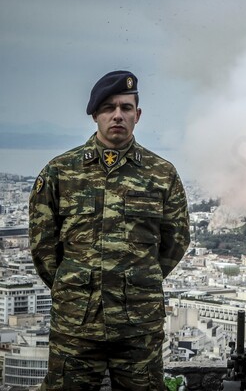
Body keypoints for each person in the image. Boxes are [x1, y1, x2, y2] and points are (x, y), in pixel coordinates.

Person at [29, 70, 191, 390]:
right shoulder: (60, 171)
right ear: (95, 115)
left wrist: (137, 282)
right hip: (76, 325)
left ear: (137, 115)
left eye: (126, 108)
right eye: (108, 108)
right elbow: (43, 246)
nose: (117, 115)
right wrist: (75, 286)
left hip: (138, 327)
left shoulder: (162, 174)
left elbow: (176, 240)